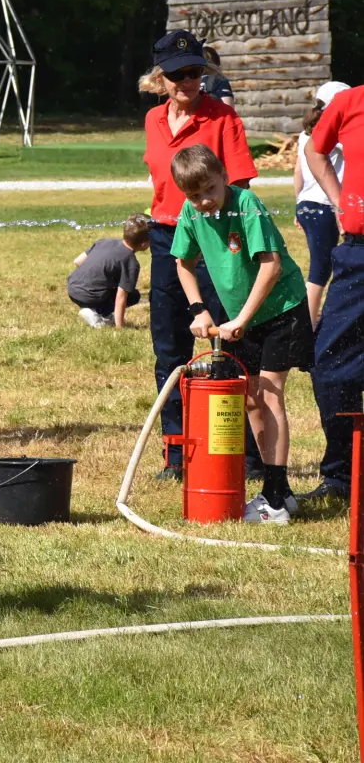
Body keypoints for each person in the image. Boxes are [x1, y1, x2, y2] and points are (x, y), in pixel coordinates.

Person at [140, 29, 259, 480]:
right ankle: (176, 454)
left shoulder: (222, 117)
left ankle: (244, 455)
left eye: (195, 73)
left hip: (215, 239)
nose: (189, 82)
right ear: (161, 78)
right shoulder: (153, 121)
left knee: (229, 344)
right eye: (178, 74)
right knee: (169, 347)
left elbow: (241, 186)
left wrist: (232, 246)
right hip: (166, 238)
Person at [170, 145, 311, 523]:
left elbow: (272, 266)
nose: (203, 202)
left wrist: (241, 319)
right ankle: (278, 488)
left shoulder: (246, 205)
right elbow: (183, 264)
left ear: (224, 178)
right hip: (240, 318)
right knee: (250, 399)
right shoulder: (191, 212)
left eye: (210, 190)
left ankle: (276, 500)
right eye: (194, 196)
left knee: (269, 394)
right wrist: (199, 309)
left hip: (282, 309)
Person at [300, 82, 364, 507]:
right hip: (358, 253)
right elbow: (313, 151)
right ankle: (341, 476)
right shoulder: (348, 101)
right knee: (331, 363)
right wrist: (341, 202)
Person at [295, 81, 350, 328]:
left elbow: (298, 171)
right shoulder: (337, 136)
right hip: (326, 204)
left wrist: (298, 204)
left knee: (321, 263)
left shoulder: (304, 134)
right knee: (320, 268)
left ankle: (311, 318)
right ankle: (306, 325)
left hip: (306, 203)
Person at [67, 215, 150, 329]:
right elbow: (121, 297)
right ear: (144, 244)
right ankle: (95, 313)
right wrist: (120, 327)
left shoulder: (104, 242)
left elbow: (77, 261)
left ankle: (100, 312)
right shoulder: (131, 263)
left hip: (72, 288)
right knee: (133, 296)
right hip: (90, 296)